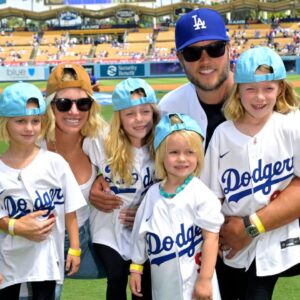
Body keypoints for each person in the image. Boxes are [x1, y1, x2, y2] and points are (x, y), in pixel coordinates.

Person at [201, 46, 300, 299]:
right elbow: (212, 197)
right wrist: (212, 240)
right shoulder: (223, 134)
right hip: (232, 247)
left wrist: (251, 227)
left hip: (281, 239)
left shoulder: (291, 125)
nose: (260, 97)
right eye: (250, 89)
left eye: (268, 88)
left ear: (280, 88)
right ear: (238, 91)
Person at [0, 82, 85, 299]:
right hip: (7, 256)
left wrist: (74, 247)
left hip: (46, 254)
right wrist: (13, 226)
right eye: (20, 121)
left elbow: (70, 209)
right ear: (5, 124)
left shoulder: (54, 162)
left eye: (35, 121)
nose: (29, 128)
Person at [129, 113, 224, 300]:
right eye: (173, 152)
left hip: (196, 282)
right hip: (163, 284)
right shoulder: (153, 194)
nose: (182, 159)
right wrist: (136, 268)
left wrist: (205, 279)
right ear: (161, 156)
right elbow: (140, 234)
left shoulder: (201, 193)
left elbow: (211, 239)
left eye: (190, 152)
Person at [83, 78, 160, 300]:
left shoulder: (162, 146)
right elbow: (73, 154)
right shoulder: (103, 141)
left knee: (143, 283)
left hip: (144, 229)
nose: (139, 120)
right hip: (108, 227)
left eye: (145, 112)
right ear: (119, 117)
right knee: (116, 275)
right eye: (130, 114)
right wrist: (93, 180)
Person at [43, 63, 107, 298]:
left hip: (84, 238)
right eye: (63, 103)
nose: (74, 111)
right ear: (50, 105)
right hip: (42, 240)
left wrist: (104, 176)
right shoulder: (33, 142)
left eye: (83, 103)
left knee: (133, 263)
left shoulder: (97, 138)